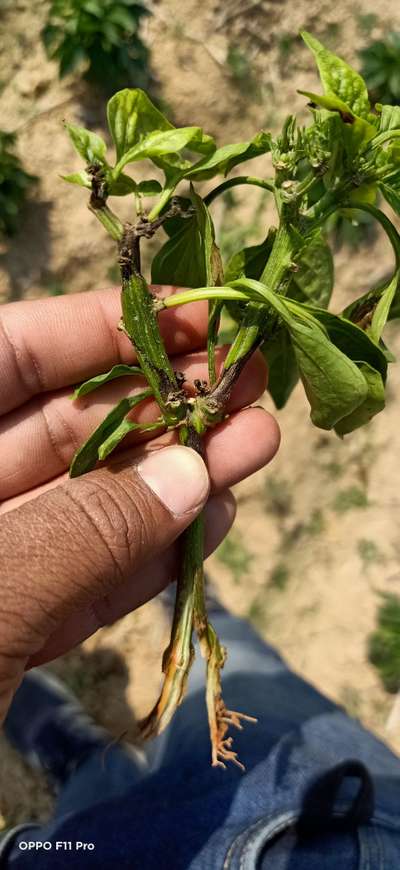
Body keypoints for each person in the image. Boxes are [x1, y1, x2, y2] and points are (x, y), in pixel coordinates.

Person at [0, 287, 399, 869]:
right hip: (350, 832)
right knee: (256, 683)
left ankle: (85, 759)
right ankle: (201, 618)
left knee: (79, 832)